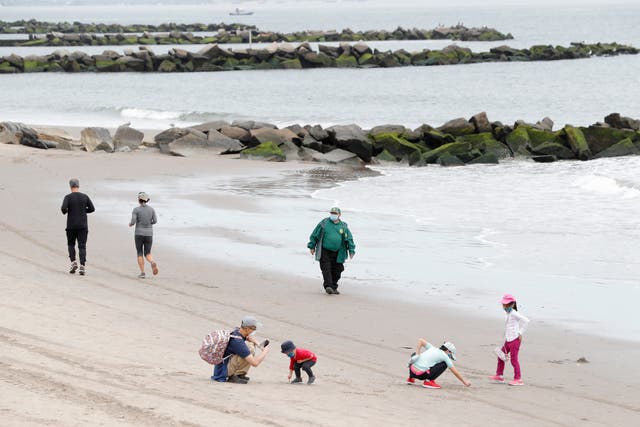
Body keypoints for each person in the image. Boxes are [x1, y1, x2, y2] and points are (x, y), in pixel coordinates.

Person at [307, 207, 356, 295]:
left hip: (338, 252)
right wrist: (312, 246)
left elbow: (349, 239)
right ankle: (328, 286)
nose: (333, 215)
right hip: (325, 251)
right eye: (332, 213)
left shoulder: (343, 226)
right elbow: (315, 234)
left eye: (335, 214)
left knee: (338, 270)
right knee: (326, 269)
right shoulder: (324, 223)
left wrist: (351, 250)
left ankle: (333, 287)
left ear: (339, 215)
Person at [211, 315, 270, 384]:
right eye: (253, 329)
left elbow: (249, 339)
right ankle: (234, 375)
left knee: (250, 344)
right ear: (247, 329)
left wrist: (258, 344)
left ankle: (239, 374)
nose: (254, 331)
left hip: (222, 366)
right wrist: (265, 352)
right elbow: (255, 363)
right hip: (222, 372)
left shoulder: (237, 331)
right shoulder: (238, 342)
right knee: (249, 348)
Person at [489, 294, 530, 386]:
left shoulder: (514, 313)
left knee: (514, 360)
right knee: (501, 356)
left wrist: (520, 333)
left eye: (506, 305)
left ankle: (518, 379)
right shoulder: (507, 313)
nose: (504, 307)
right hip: (508, 340)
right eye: (503, 305)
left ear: (512, 305)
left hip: (515, 340)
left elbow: (526, 321)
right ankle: (499, 375)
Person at [61, 178, 95, 276]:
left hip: (71, 225)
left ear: (70, 186)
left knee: (71, 244)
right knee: (82, 246)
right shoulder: (85, 197)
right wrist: (83, 211)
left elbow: (63, 209)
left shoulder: (68, 197)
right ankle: (82, 266)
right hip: (83, 226)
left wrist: (67, 211)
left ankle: (73, 262)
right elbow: (92, 209)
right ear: (78, 186)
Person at [407, 338, 471, 389]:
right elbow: (455, 372)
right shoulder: (445, 356)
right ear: (448, 351)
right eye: (450, 355)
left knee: (414, 355)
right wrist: (465, 382)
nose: (450, 357)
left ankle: (411, 378)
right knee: (444, 364)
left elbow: (420, 340)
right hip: (421, 375)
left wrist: (417, 354)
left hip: (412, 372)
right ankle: (428, 381)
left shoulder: (432, 348)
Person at [129, 191, 158, 279]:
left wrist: (131, 224)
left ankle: (142, 272)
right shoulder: (151, 209)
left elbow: (133, 221)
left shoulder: (136, 210)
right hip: (149, 233)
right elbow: (155, 221)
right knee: (148, 252)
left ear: (139, 200)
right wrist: (149, 224)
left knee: (139, 252)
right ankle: (152, 262)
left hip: (139, 233)